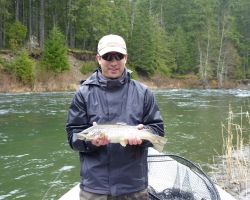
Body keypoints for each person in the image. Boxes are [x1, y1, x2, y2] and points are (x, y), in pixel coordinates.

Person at [66, 34, 164, 200]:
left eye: (118, 56)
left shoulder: (144, 93)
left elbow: (157, 130)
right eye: (107, 56)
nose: (113, 62)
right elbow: (73, 135)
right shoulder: (83, 94)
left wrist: (144, 136)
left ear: (126, 58)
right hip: (95, 187)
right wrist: (90, 142)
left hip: (133, 186)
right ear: (98, 58)